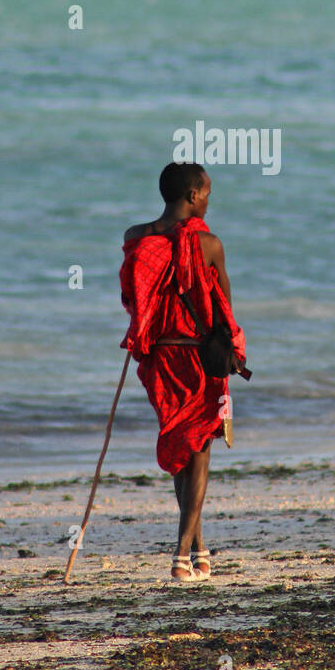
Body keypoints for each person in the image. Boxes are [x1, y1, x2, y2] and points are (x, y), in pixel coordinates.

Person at [120, 162, 247, 582]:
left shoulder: (135, 238)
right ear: (192, 196)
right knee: (199, 450)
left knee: (181, 449)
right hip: (197, 361)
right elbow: (225, 313)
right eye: (207, 193)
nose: (210, 200)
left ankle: (199, 551)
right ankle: (180, 556)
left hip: (159, 361)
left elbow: (132, 297)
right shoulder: (209, 243)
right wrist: (238, 353)